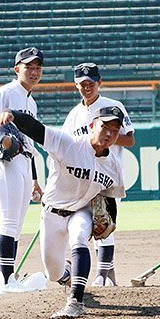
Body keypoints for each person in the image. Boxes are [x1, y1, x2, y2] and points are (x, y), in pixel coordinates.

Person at [0, 105, 126, 318]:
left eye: (115, 130)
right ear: (93, 125)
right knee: (53, 272)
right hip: (52, 214)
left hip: (81, 211)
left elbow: (110, 197)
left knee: (79, 239)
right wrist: (13, 115)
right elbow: (37, 129)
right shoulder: (69, 144)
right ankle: (67, 274)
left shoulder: (114, 165)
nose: (110, 134)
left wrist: (109, 222)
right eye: (105, 127)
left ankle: (76, 301)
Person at [61, 63, 134, 287]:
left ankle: (102, 276)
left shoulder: (113, 106)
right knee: (85, 226)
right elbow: (66, 148)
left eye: (91, 83)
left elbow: (130, 139)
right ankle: (107, 276)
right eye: (82, 84)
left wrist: (106, 134)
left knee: (104, 221)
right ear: (76, 86)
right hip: (82, 180)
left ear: (99, 82)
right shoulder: (74, 115)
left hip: (106, 174)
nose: (87, 87)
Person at [0, 47, 44, 295]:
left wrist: (36, 181)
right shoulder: (5, 92)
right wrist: (2, 139)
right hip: (6, 161)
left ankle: (8, 279)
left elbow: (29, 142)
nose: (34, 71)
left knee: (16, 225)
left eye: (38, 67)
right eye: (29, 67)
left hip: (24, 161)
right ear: (17, 68)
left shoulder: (32, 102)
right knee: (8, 222)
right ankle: (5, 282)